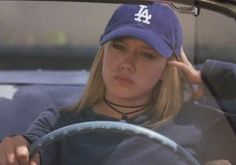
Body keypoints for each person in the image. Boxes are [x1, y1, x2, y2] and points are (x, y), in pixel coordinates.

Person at [0, 3, 235, 165]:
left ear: (168, 67)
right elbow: (27, 153)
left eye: (147, 54)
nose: (127, 63)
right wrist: (17, 148)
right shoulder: (57, 123)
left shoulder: (202, 125)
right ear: (103, 53)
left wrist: (211, 75)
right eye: (118, 47)